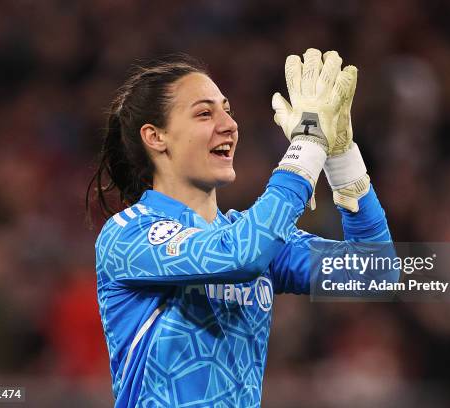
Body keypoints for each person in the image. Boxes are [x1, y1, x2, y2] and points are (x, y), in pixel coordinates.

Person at [87, 49, 398, 408]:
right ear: (156, 137)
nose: (229, 125)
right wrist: (308, 144)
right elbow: (240, 256)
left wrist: (341, 156)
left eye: (228, 111)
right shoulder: (128, 234)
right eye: (205, 113)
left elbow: (376, 274)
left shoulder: (251, 236)